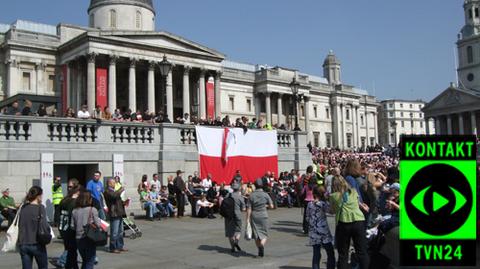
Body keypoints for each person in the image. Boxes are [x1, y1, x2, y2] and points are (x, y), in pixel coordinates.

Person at [329, 175, 369, 269]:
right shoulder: (354, 191)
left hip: (344, 223)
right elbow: (357, 202)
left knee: (343, 253)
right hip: (358, 221)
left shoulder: (333, 196)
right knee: (362, 251)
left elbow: (333, 211)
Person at [18, 186, 49, 269]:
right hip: (37, 243)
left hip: (23, 243)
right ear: (38, 196)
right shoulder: (40, 208)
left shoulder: (22, 207)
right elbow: (44, 226)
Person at [306, 186, 335, 269]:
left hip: (313, 231)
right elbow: (332, 212)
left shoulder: (309, 204)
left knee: (316, 253)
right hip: (323, 230)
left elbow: (307, 217)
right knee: (330, 252)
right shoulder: (323, 204)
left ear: (314, 194)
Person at [72, 191, 103, 269]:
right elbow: (98, 224)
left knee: (85, 260)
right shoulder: (92, 209)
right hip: (89, 237)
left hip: (78, 238)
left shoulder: (74, 210)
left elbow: (72, 226)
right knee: (90, 261)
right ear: (89, 199)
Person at [56, 179, 81, 269]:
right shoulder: (71, 202)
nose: (69, 189)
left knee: (71, 253)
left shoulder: (66, 200)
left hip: (65, 230)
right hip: (69, 230)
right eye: (69, 187)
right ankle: (63, 262)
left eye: (71, 187)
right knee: (72, 252)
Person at [246, 179, 274, 257]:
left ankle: (259, 247)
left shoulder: (251, 195)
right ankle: (262, 245)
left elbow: (249, 208)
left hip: (254, 215)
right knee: (264, 233)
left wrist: (247, 219)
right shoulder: (265, 194)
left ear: (255, 185)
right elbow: (272, 206)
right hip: (263, 215)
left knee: (256, 234)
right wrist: (266, 206)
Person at [104, 178, 127, 254]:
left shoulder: (114, 191)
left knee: (120, 231)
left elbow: (117, 199)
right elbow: (113, 196)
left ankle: (120, 246)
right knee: (114, 232)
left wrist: (124, 202)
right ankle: (112, 247)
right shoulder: (107, 191)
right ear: (109, 183)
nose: (115, 184)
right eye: (113, 183)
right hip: (114, 213)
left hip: (119, 212)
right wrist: (121, 189)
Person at [224, 183, 246, 253]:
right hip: (238, 215)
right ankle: (236, 240)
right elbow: (243, 209)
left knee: (230, 232)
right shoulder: (240, 197)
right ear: (239, 189)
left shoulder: (228, 195)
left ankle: (232, 247)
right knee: (238, 230)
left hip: (228, 215)